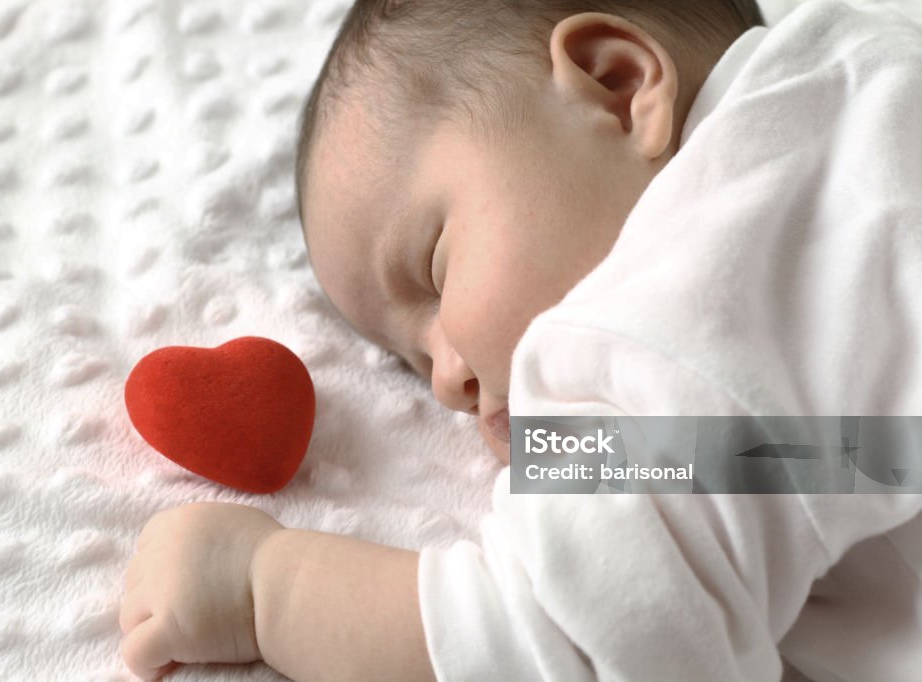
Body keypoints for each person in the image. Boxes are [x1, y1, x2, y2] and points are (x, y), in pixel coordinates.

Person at [119, 1, 922, 679]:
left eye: (433, 270)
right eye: (411, 359)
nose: (442, 382)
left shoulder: (674, 310)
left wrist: (266, 588)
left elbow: (579, 633)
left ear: (616, 87)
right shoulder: (868, 55)